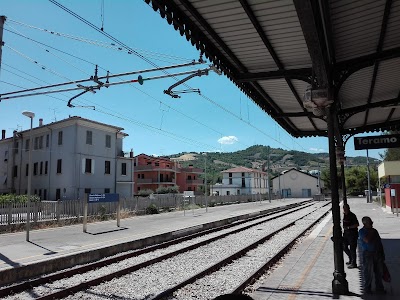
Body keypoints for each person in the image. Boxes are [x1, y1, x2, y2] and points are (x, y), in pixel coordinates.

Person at [358, 216, 386, 294]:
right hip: (368, 254)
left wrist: (382, 254)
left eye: (371, 222)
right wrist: (370, 231)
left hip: (377, 253)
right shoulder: (362, 231)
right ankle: (367, 288)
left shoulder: (375, 231)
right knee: (368, 272)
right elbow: (367, 240)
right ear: (365, 224)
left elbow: (379, 242)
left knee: (379, 272)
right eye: (370, 222)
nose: (372, 224)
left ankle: (379, 288)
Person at [342, 204, 359, 268]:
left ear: (349, 208)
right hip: (346, 234)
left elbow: (357, 224)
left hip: (353, 234)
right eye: (344, 208)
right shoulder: (344, 215)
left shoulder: (352, 215)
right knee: (344, 247)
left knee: (352, 249)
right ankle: (351, 258)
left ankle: (354, 263)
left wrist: (349, 227)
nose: (345, 209)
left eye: (346, 208)